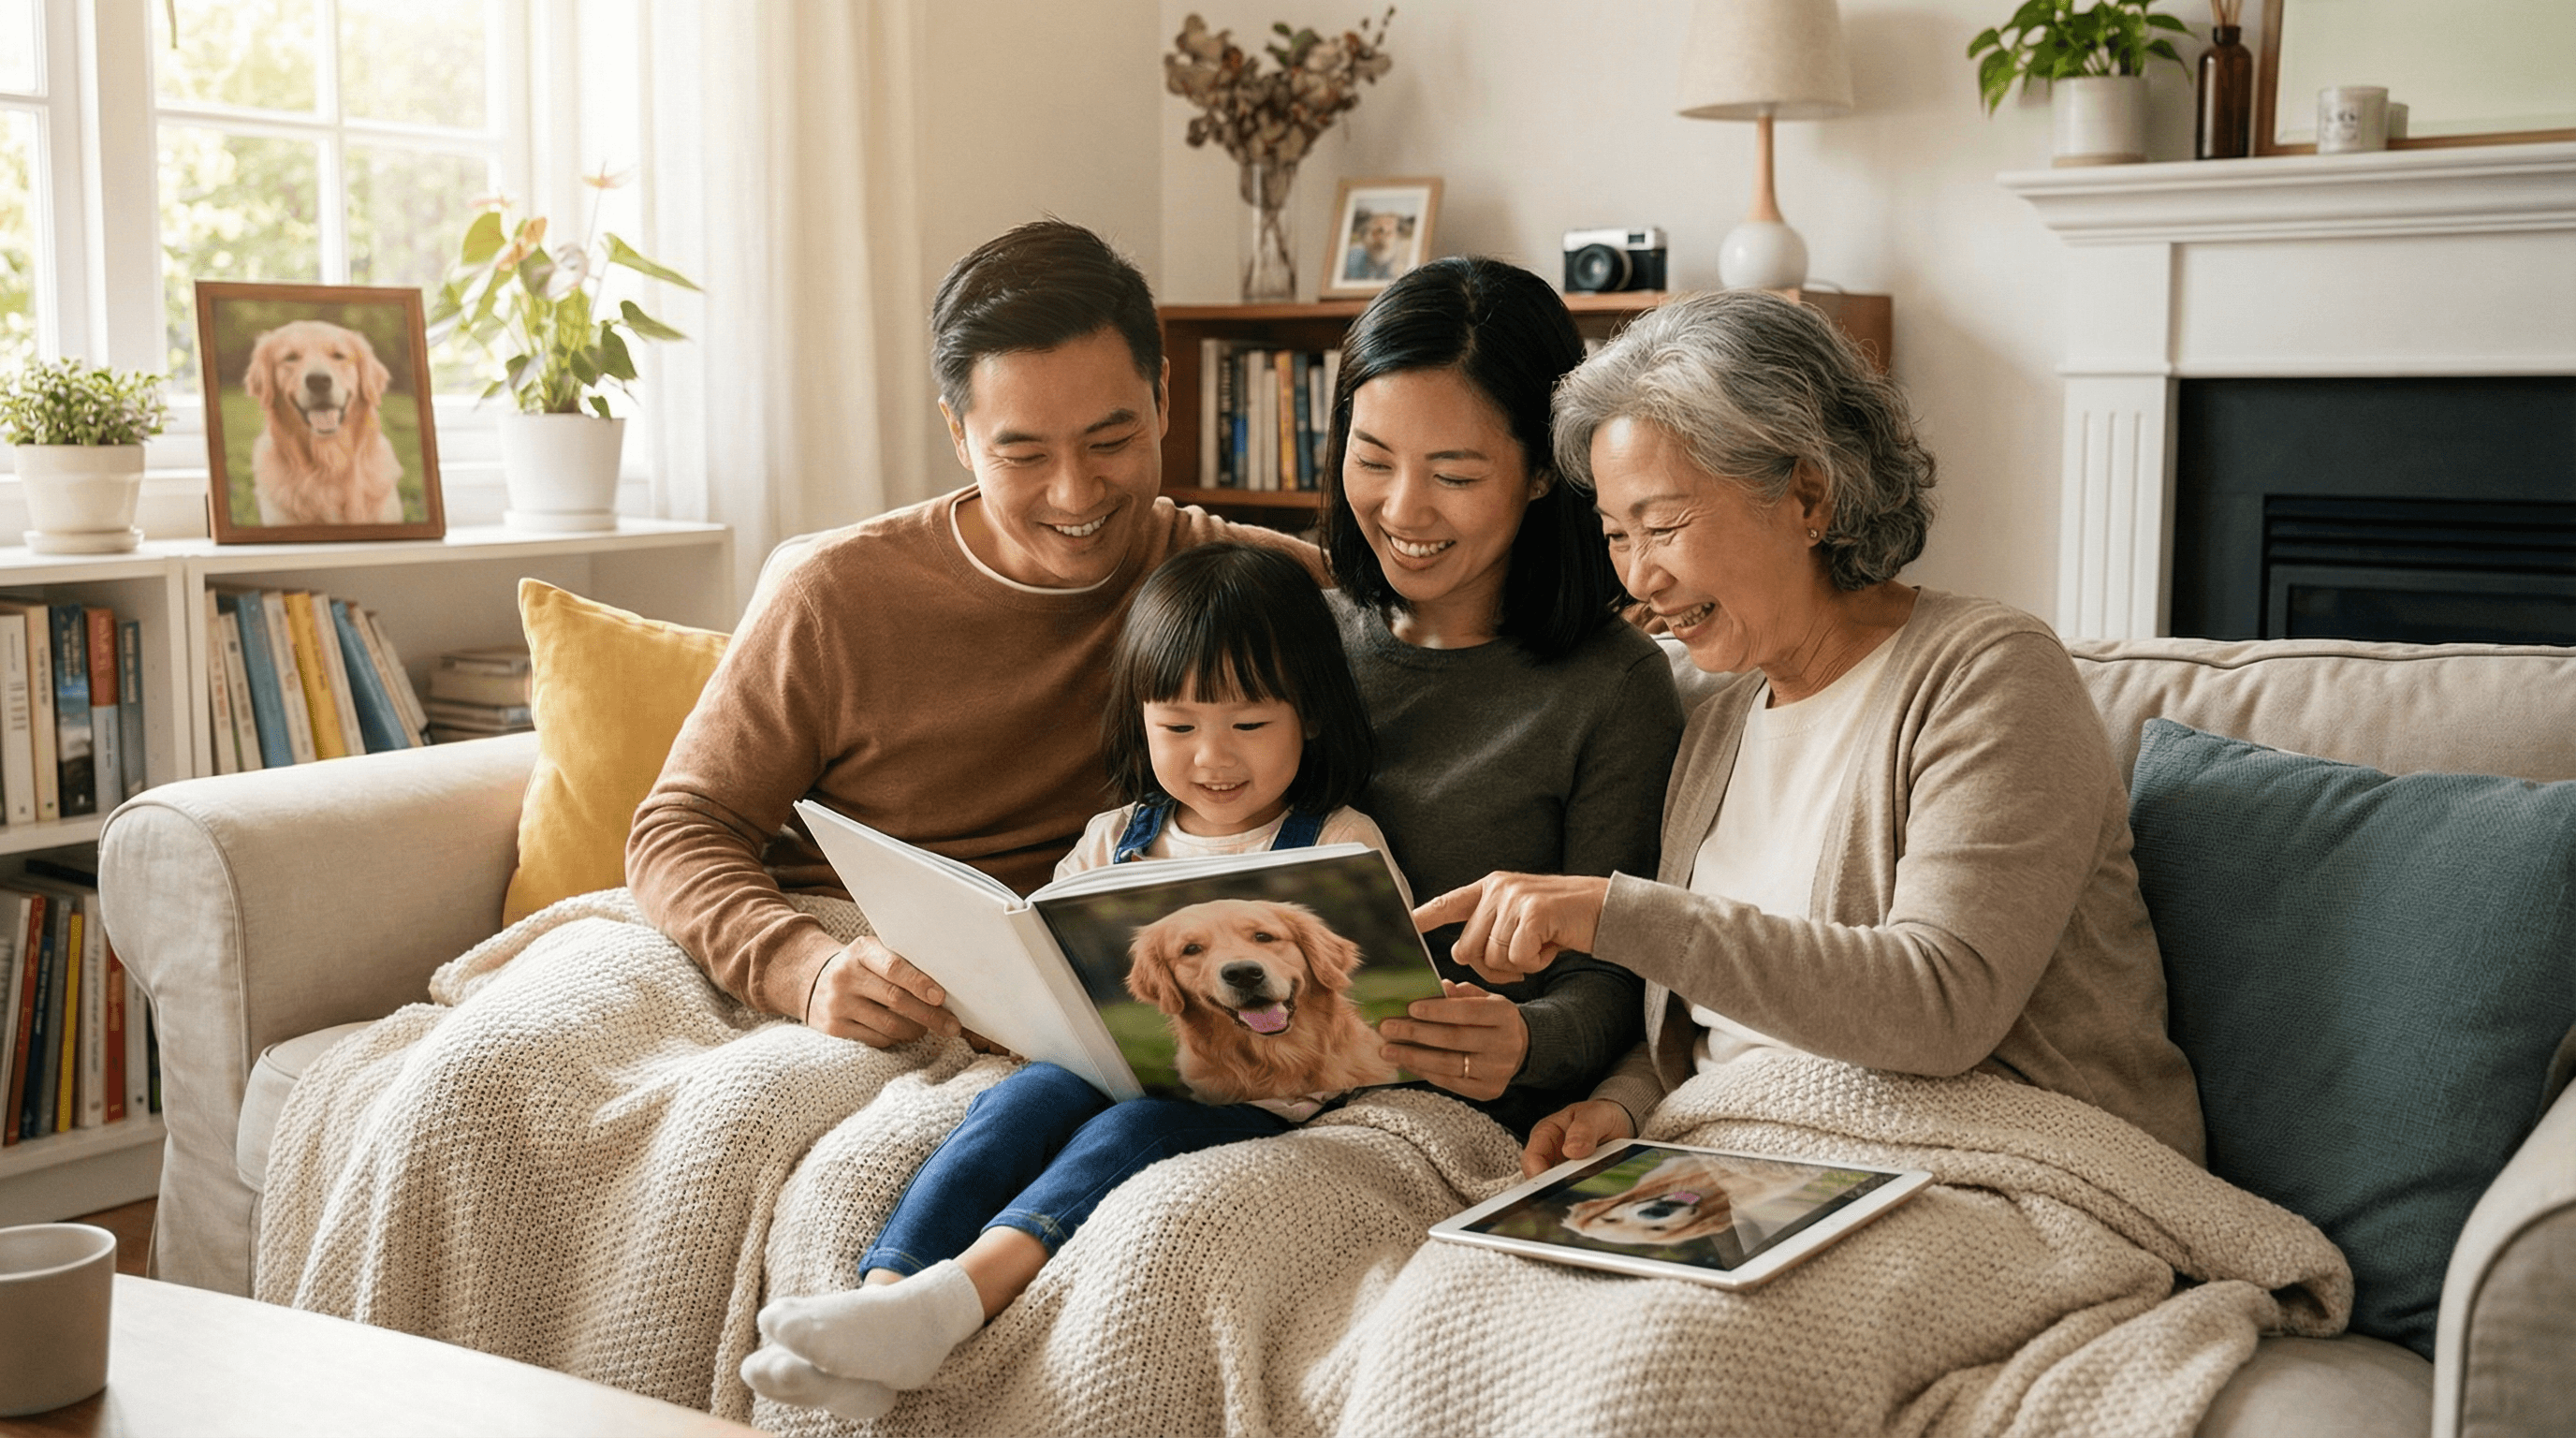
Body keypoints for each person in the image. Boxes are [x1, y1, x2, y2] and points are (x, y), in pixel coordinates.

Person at [1407, 288, 2207, 1174]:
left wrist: (1613, 914)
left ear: (1808, 495)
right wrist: (1623, 1103)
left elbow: (1941, 1004)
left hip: (2019, 1160)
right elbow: (1718, 1023)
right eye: (1615, 535)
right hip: (1760, 1155)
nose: (1639, 578)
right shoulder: (1716, 728)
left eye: (1663, 526)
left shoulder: (1989, 673)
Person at [739, 543, 1404, 1422]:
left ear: (1309, 715)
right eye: (1177, 727)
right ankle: (884, 1299)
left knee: (1128, 1129)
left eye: (1248, 725)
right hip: (1098, 1068)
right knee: (1016, 1105)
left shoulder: (1340, 842)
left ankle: (952, 1305)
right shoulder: (1112, 839)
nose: (1212, 757)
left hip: (1260, 1103)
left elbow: (1381, 995)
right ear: (1141, 720)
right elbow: (1046, 965)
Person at [627, 220, 1318, 1039]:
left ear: (1164, 399)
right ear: (958, 434)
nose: (1075, 494)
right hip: (859, 969)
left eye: (1111, 440)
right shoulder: (834, 595)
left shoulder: (1247, 588)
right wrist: (801, 968)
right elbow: (681, 828)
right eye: (1024, 456)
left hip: (1097, 990)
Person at [1319, 256, 1686, 1135]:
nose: (1403, 511)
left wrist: (1524, 1039)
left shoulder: (1613, 686)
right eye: (1372, 460)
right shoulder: (1295, 637)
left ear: (1544, 471)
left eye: (1454, 476)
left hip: (1444, 1116)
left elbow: (1615, 980)